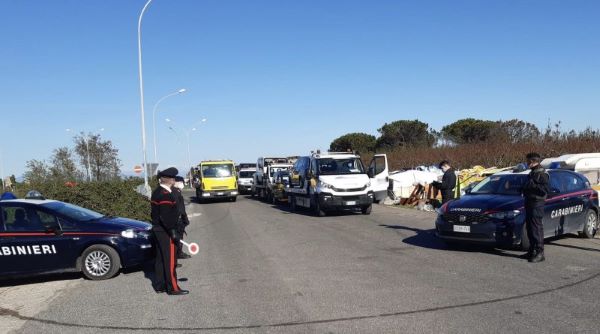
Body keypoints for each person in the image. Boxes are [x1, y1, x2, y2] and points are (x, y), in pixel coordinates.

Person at [151, 167, 189, 295]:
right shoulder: (165, 194)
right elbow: (166, 217)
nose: (174, 180)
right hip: (166, 231)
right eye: (173, 178)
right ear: (169, 180)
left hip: (159, 229)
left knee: (161, 259)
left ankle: (160, 285)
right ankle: (173, 287)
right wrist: (173, 232)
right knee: (170, 260)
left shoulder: (157, 191)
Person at [521, 152, 549, 263]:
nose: (527, 163)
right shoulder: (533, 172)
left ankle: (540, 253)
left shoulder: (542, 174)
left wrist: (532, 185)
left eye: (528, 161)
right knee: (530, 228)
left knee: (536, 229)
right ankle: (532, 251)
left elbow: (545, 190)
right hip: (530, 202)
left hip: (537, 203)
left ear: (533, 161)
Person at [173, 176, 191, 260]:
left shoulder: (174, 191)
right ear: (175, 182)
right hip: (177, 219)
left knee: (178, 237)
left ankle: (178, 254)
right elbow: (181, 209)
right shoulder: (176, 193)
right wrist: (185, 219)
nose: (182, 184)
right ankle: (177, 255)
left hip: (175, 219)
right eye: (180, 182)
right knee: (178, 238)